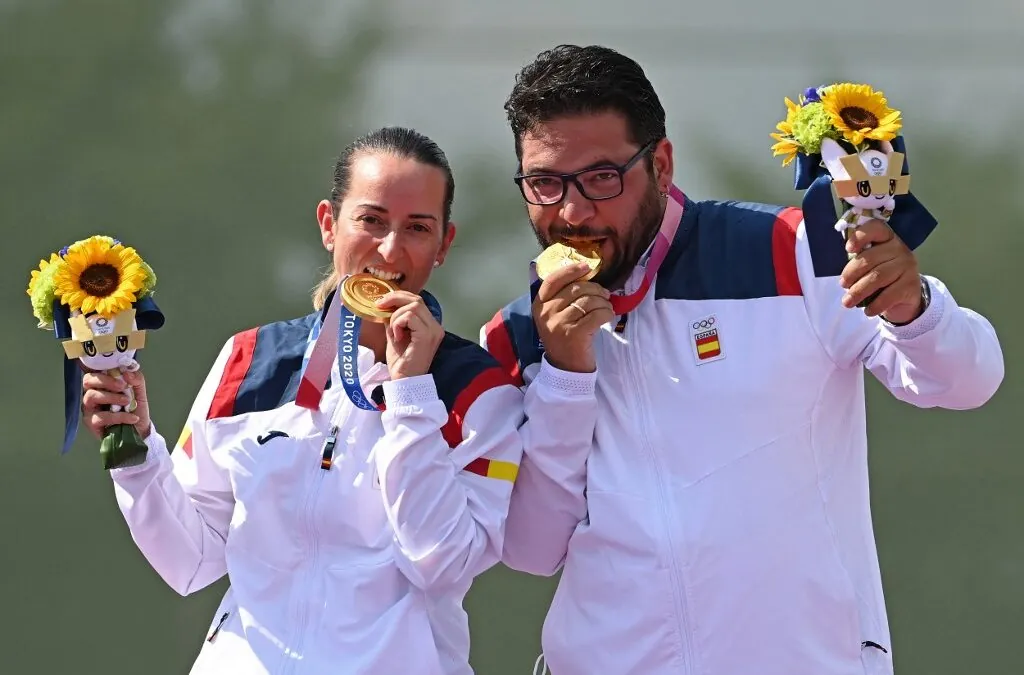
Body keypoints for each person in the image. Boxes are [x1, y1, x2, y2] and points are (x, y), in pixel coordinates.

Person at [480, 45, 1004, 675]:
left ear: (662, 164)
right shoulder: (518, 335)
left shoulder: (788, 252)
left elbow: (967, 380)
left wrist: (914, 308)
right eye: (544, 183)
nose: (572, 212)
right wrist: (566, 376)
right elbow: (533, 549)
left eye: (601, 178)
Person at [83, 126, 525, 674]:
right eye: (371, 220)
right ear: (328, 225)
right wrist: (138, 455)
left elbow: (444, 563)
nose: (390, 249)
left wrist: (411, 396)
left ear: (444, 244)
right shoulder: (248, 361)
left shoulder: (479, 391)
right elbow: (191, 561)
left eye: (417, 228)